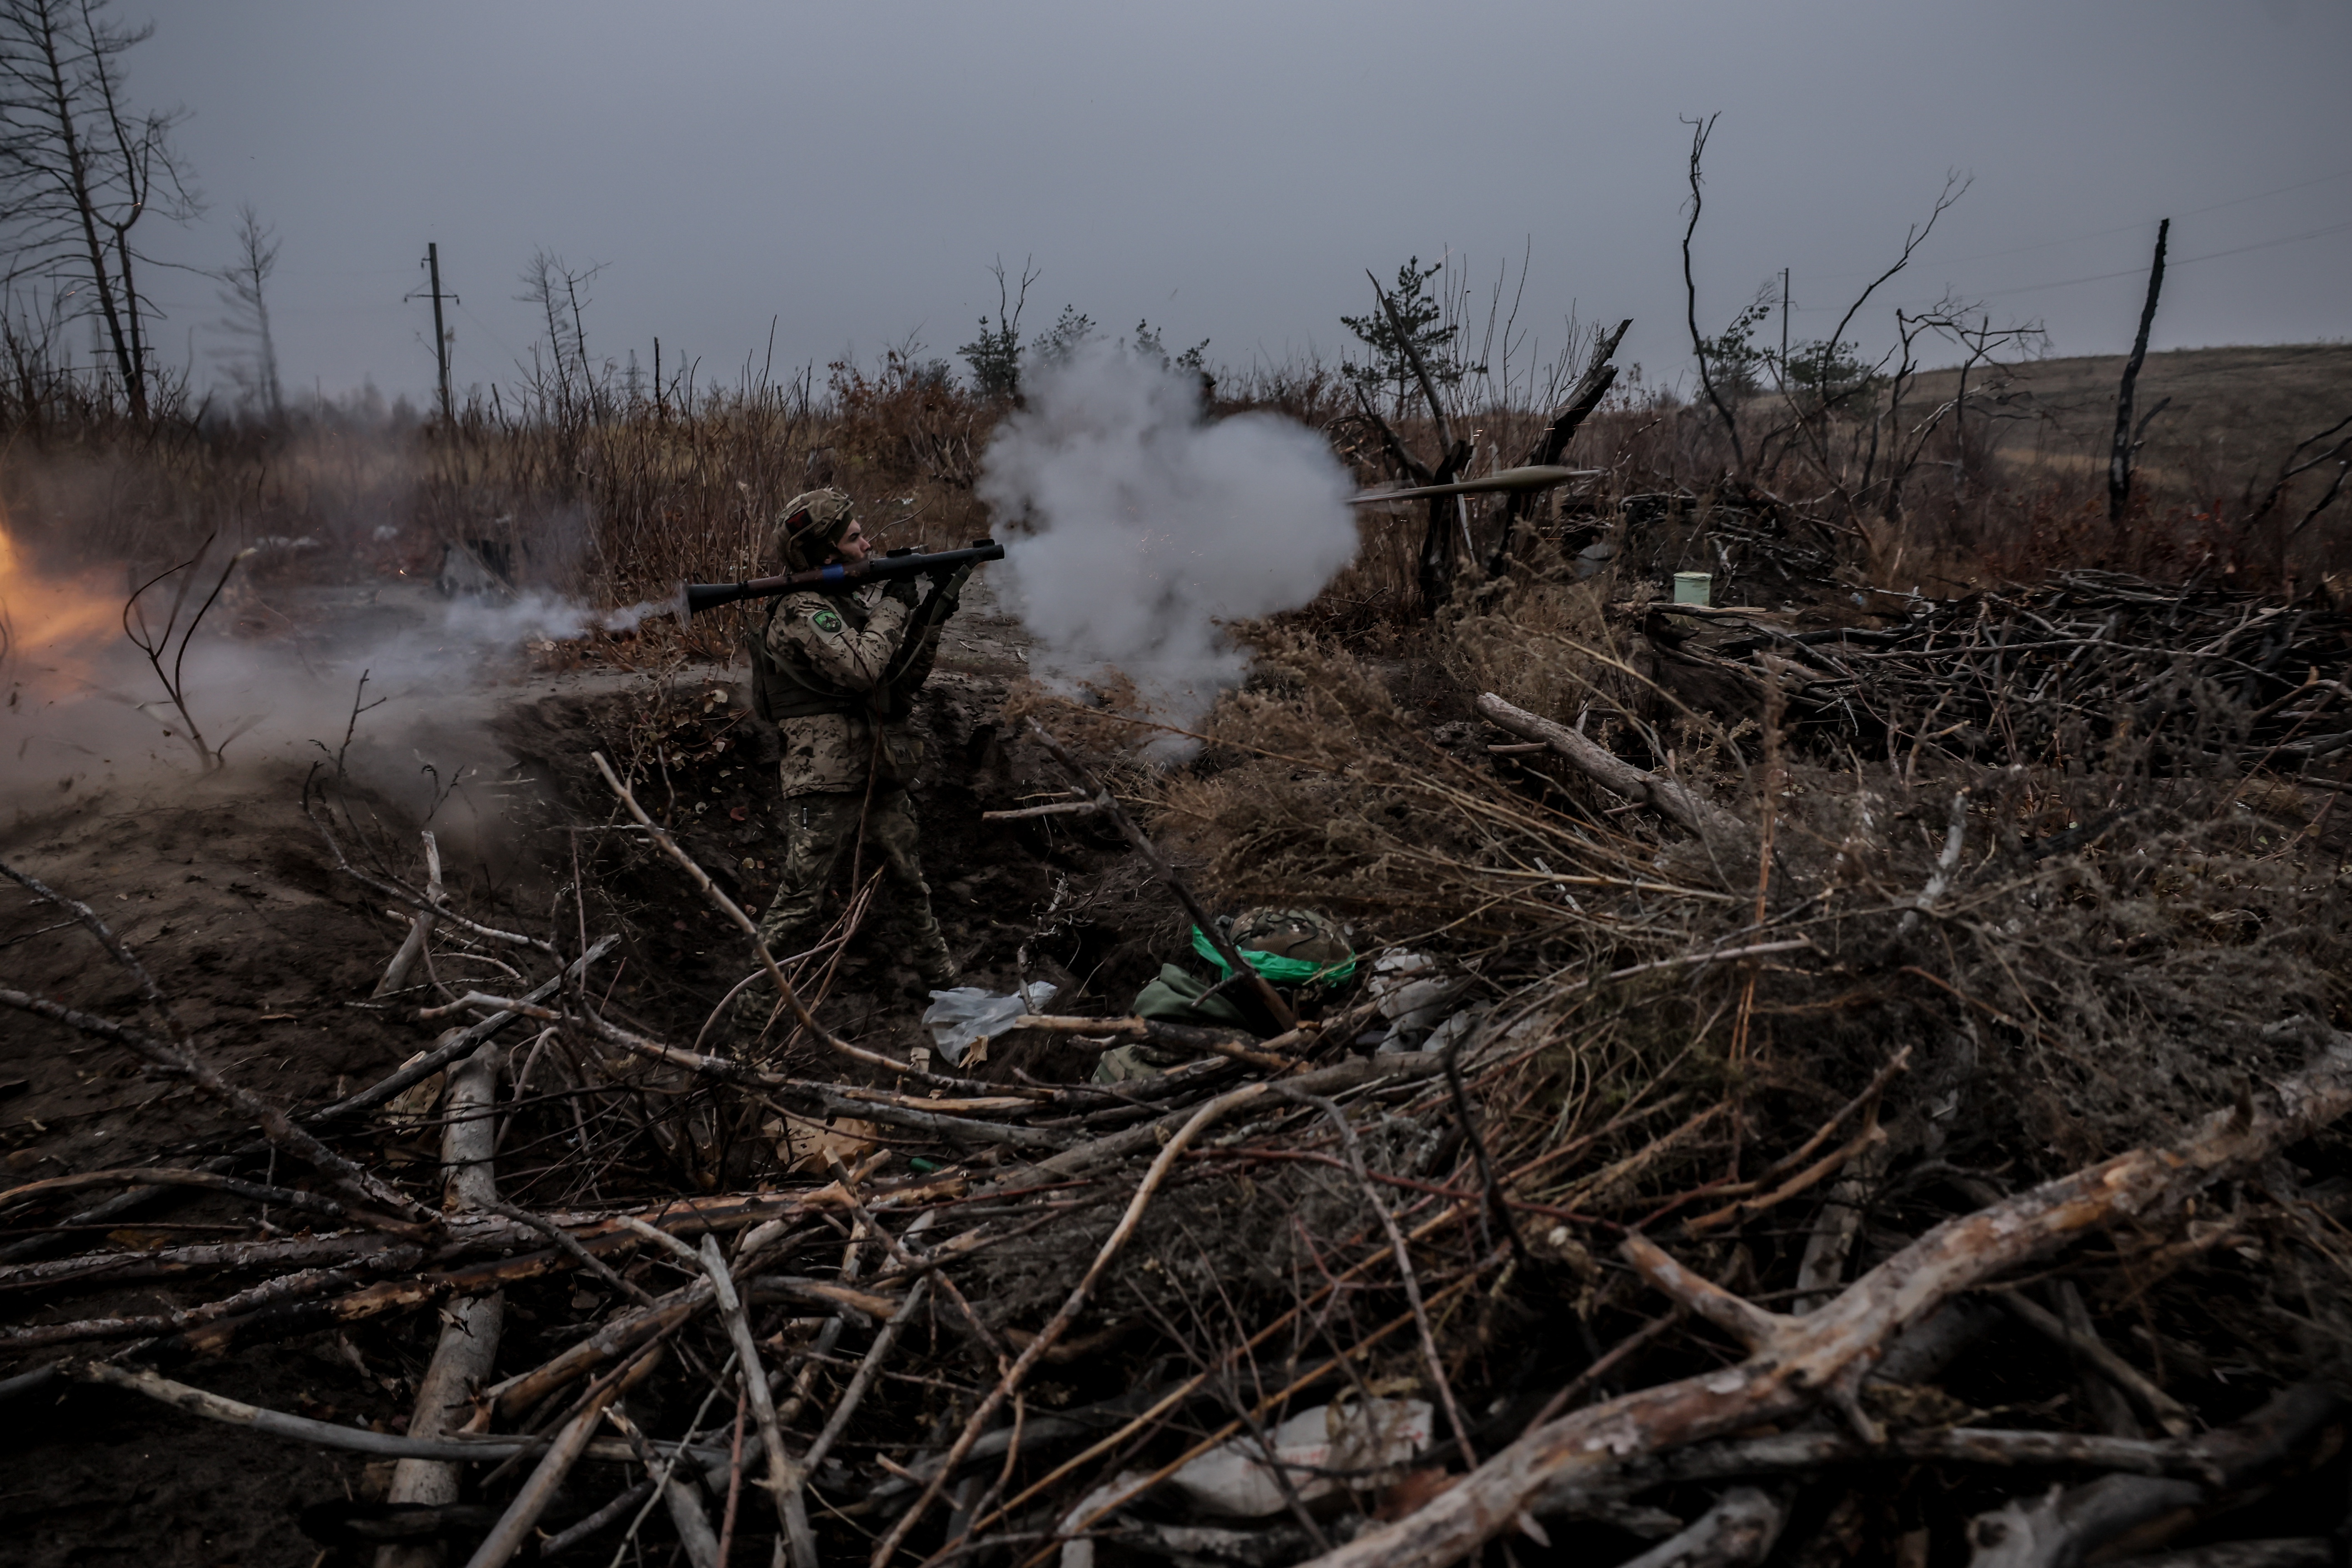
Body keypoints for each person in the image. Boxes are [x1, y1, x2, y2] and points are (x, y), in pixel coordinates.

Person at [733, 487, 969, 1029]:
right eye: (854, 537)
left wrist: (932, 609)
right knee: (796, 908)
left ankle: (951, 999)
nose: (868, 544)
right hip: (825, 780)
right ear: (827, 555)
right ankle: (743, 1032)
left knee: (912, 886)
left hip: (875, 767)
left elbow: (894, 688)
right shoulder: (802, 610)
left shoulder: (841, 603)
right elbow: (862, 667)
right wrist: (896, 602)